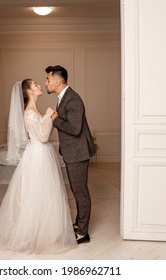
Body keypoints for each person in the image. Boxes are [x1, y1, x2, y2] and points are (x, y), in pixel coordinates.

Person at [0, 79, 77, 254]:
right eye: (35, 84)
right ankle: (35, 234)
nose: (40, 85)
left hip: (42, 153)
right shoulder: (30, 113)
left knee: (45, 193)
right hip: (38, 155)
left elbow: (43, 133)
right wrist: (48, 115)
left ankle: (47, 231)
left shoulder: (34, 110)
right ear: (29, 92)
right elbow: (44, 137)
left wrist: (46, 116)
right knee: (38, 193)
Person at [45, 65, 96, 244]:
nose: (46, 83)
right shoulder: (64, 97)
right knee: (76, 190)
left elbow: (75, 129)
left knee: (80, 192)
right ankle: (79, 224)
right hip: (72, 152)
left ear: (58, 81)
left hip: (78, 153)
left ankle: (83, 232)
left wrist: (55, 120)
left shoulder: (72, 99)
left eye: (48, 79)